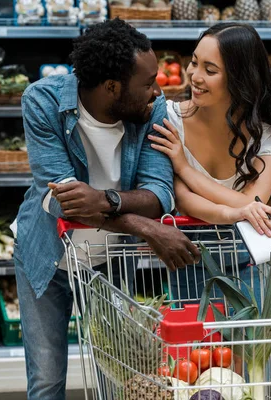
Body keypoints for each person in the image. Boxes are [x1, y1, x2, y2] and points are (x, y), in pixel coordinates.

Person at [11, 18, 200, 400]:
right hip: (47, 255)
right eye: (147, 83)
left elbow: (158, 193)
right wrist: (146, 228)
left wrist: (105, 200)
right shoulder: (43, 101)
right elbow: (61, 203)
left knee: (117, 378)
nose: (157, 90)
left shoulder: (153, 110)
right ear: (113, 87)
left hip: (111, 262)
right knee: (47, 381)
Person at [148, 23, 271, 306]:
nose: (195, 76)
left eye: (210, 70)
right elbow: (183, 200)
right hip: (190, 258)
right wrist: (237, 210)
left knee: (250, 347)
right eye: (194, 63)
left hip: (251, 259)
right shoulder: (170, 120)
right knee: (198, 348)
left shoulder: (265, 133)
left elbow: (252, 201)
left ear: (240, 78)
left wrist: (184, 168)